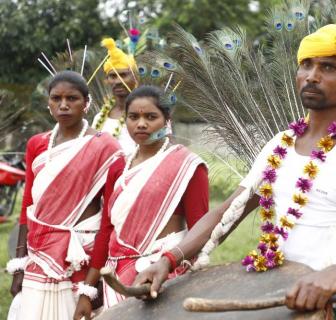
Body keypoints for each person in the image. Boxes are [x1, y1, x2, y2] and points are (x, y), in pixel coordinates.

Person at [134, 12, 336, 319]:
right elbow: (227, 212)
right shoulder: (280, 144)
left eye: (328, 67)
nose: (312, 76)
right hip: (275, 299)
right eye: (306, 65)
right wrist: (168, 259)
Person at [73, 85, 209, 319]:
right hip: (116, 281)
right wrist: (87, 291)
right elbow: (106, 231)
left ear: (167, 119)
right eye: (133, 117)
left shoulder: (186, 166)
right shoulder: (118, 166)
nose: (141, 124)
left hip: (165, 278)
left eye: (151, 117)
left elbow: (200, 230)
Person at [7, 71, 121, 320]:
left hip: (80, 257)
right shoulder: (37, 144)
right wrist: (19, 266)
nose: (64, 105)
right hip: (39, 255)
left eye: (72, 98)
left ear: (87, 103)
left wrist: (93, 283)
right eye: (56, 98)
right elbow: (29, 205)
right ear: (48, 103)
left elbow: (110, 220)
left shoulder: (106, 147)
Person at [91, 38, 138, 154]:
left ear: (135, 77)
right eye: (113, 76)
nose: (118, 81)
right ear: (106, 80)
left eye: (123, 75)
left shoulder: (147, 113)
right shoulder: (99, 118)